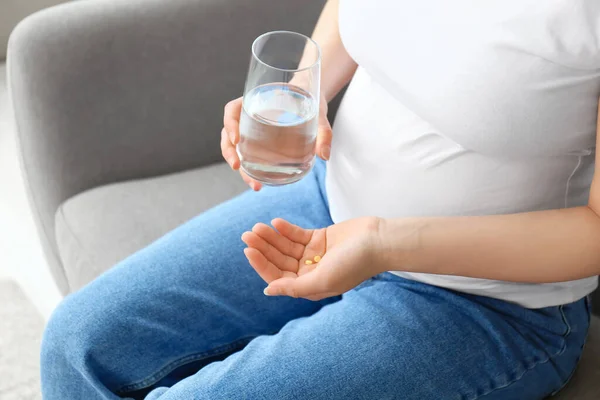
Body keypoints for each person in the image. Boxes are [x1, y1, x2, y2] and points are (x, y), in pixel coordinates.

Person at [41, 1, 600, 399]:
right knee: (76, 346)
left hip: (485, 304)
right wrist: (302, 92)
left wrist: (384, 243)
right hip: (327, 204)